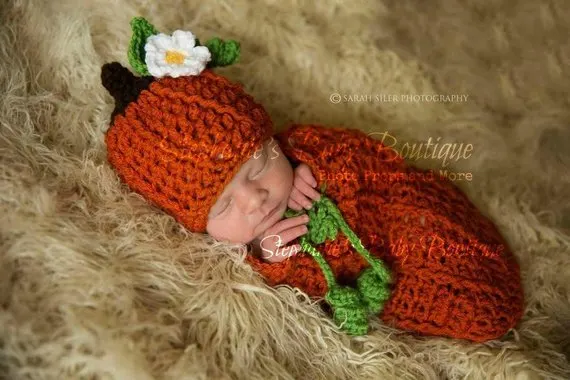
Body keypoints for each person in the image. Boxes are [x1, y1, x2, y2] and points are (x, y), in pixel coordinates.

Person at [100, 17, 524, 342]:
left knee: (418, 211)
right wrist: (268, 258)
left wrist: (313, 165)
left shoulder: (305, 151)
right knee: (457, 298)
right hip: (371, 279)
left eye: (258, 166)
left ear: (272, 142)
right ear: (197, 223)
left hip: (388, 211)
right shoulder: (254, 255)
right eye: (223, 205)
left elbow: (368, 159)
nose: (255, 198)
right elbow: (299, 295)